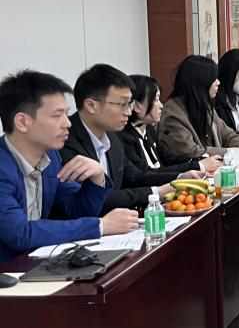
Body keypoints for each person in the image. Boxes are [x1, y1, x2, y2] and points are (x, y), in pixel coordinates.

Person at [0, 70, 137, 263]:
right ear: (22, 122)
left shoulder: (51, 157)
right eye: (57, 116)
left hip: (37, 262)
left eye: (66, 114)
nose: (67, 123)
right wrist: (100, 226)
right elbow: (19, 233)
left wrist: (97, 178)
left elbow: (74, 211)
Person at [61, 64, 204, 213]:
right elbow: (92, 200)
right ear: (91, 105)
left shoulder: (112, 136)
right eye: (122, 104)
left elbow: (135, 177)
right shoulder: (65, 141)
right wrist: (157, 192)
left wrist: (180, 178)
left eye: (130, 104)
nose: (128, 112)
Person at [121, 74, 220, 176]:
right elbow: (145, 174)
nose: (161, 105)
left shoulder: (149, 130)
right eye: (156, 100)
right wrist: (197, 166)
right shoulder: (125, 137)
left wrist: (200, 159)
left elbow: (169, 158)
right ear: (137, 106)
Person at [158, 55, 239, 165]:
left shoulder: (204, 105)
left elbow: (228, 134)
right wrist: (229, 151)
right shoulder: (173, 114)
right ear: (201, 82)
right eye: (213, 79)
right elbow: (191, 152)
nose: (218, 82)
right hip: (191, 172)